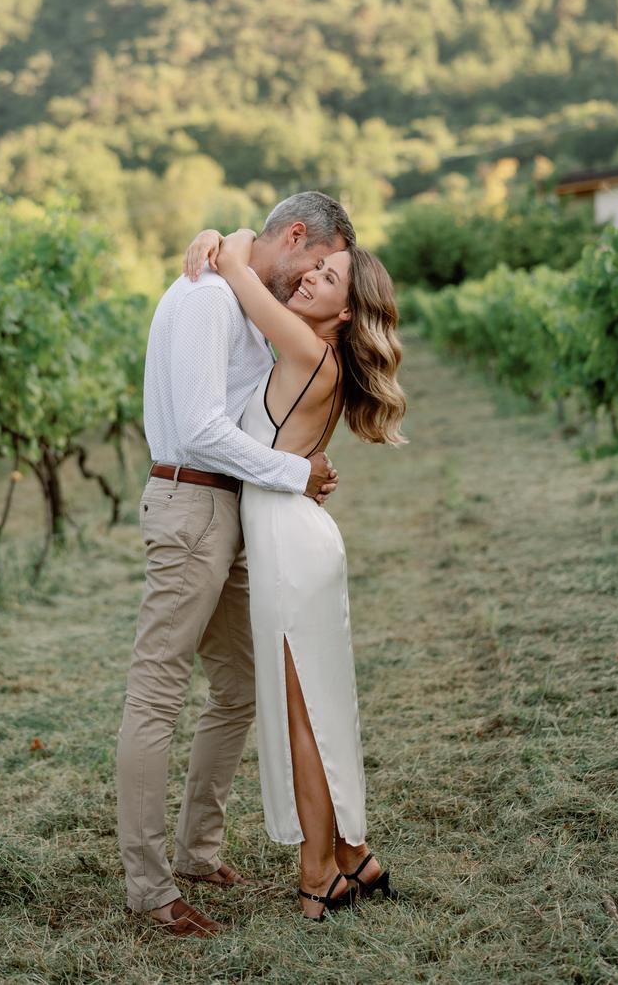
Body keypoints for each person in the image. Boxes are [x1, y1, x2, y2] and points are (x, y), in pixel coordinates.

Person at [116, 191, 355, 938]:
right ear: (296, 237)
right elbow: (201, 427)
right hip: (192, 505)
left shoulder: (241, 293)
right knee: (159, 689)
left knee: (239, 685)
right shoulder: (208, 299)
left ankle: (196, 848)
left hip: (234, 511)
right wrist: (295, 473)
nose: (312, 281)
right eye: (316, 264)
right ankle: (150, 887)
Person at [181, 222, 407, 920]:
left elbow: (244, 272)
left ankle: (318, 873)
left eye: (328, 277)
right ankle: (349, 856)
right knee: (320, 710)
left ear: (345, 314)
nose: (309, 277)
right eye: (316, 269)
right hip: (298, 535)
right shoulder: (324, 356)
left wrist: (230, 232)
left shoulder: (308, 344)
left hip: (287, 542)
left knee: (304, 716)